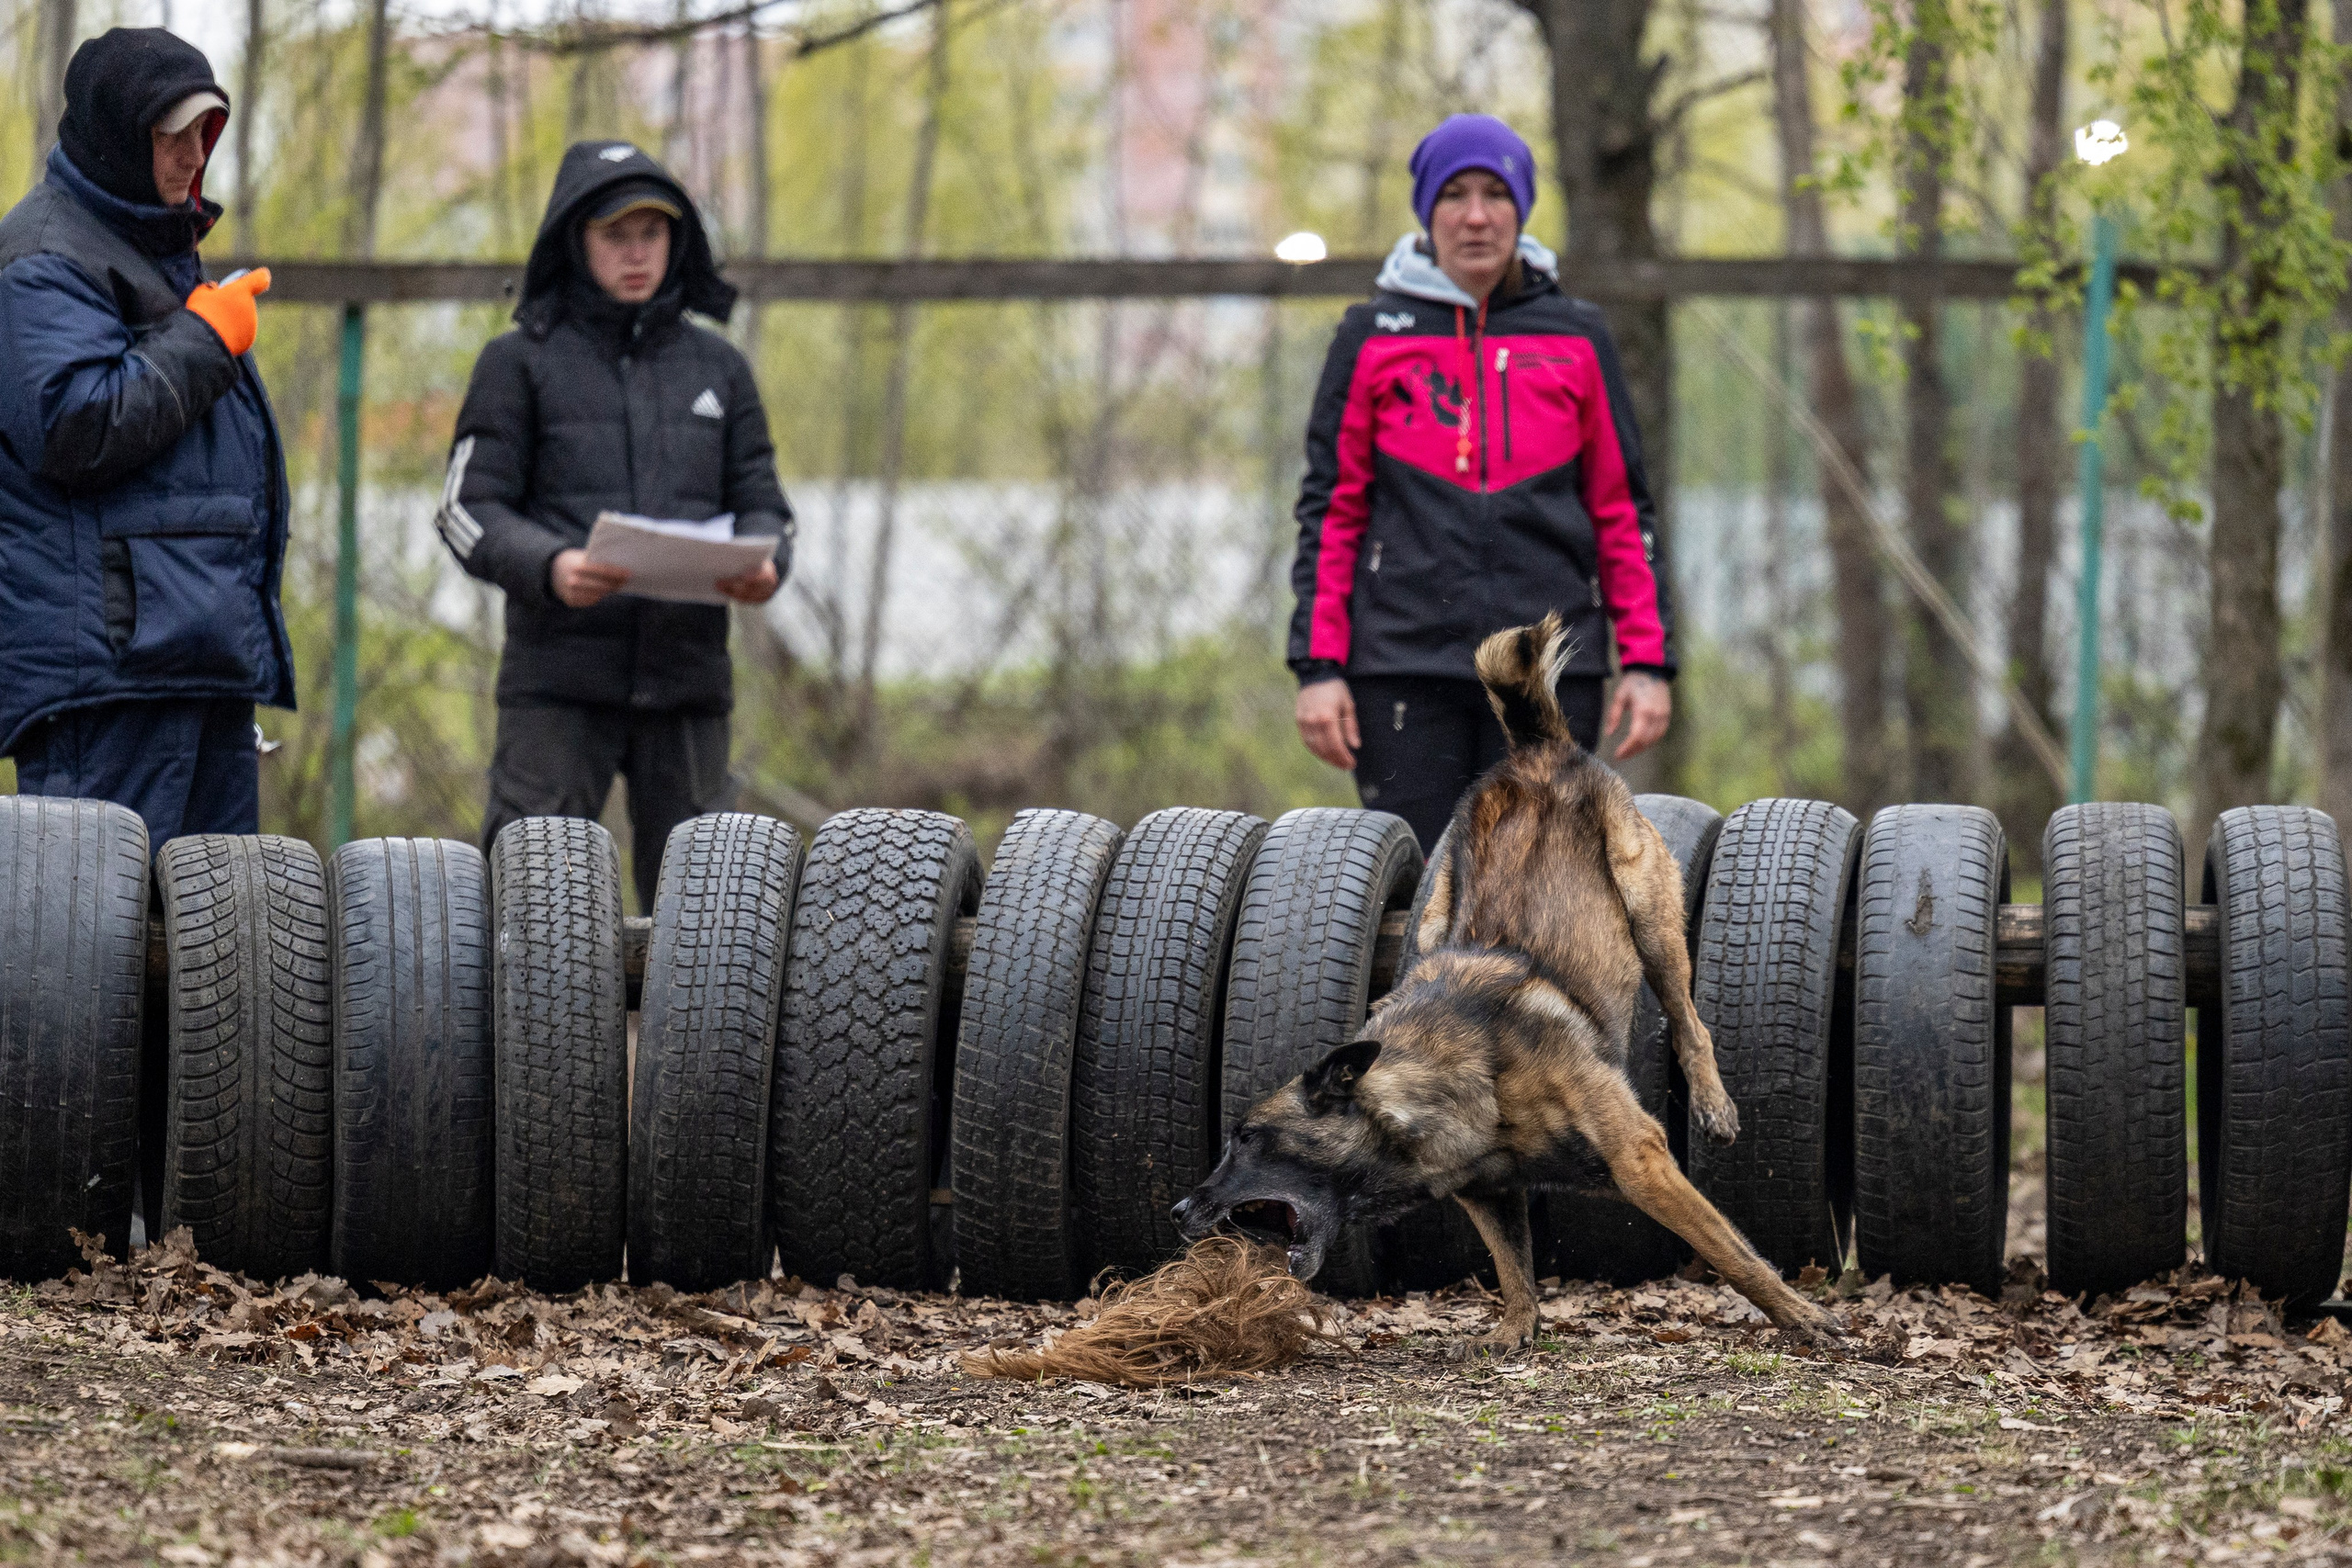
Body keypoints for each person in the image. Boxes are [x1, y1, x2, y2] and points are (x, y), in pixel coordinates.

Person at [1287, 114, 1675, 852]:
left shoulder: (1578, 335)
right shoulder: (1370, 336)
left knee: (1530, 895)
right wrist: (1318, 666)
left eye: (1495, 194)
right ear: (1427, 214)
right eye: (1454, 196)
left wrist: (1650, 662)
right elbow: (1330, 514)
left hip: (1548, 670)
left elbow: (1623, 512)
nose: (1475, 216)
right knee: (1417, 896)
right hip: (1400, 669)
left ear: (1520, 210)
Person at [438, 141, 791, 909]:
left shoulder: (719, 369)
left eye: (652, 234)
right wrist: (552, 566)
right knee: (531, 913)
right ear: (576, 239)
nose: (637, 254)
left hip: (689, 687)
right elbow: (466, 510)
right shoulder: (516, 362)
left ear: (677, 241)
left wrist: (768, 564)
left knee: (709, 925)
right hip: (557, 686)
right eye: (615, 235)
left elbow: (764, 501)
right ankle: (540, 1038)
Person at [0, 28, 289, 846]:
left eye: (206, 132)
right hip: (106, 682)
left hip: (193, 659)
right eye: (172, 135)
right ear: (119, 138)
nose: (193, 156)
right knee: (98, 956)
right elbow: (73, 426)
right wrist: (206, 338)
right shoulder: (41, 260)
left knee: (226, 954)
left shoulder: (158, 250)